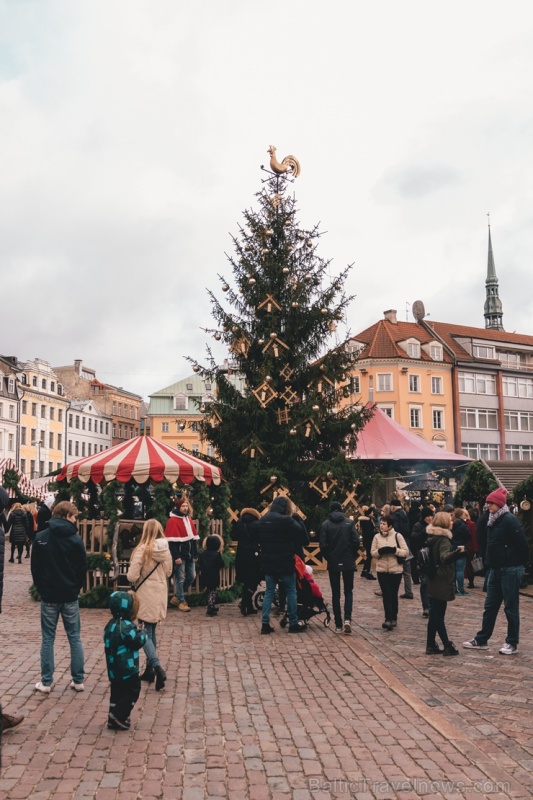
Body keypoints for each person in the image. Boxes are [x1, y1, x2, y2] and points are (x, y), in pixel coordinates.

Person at [30, 501, 88, 693]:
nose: (75, 520)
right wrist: (75, 587)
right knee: (74, 637)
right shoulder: (75, 539)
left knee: (48, 639)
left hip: (49, 595)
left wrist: (42, 588)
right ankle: (78, 679)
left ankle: (46, 682)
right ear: (65, 516)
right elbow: (82, 568)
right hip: (69, 594)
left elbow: (36, 569)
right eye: (74, 517)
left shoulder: (41, 537)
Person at [463, 487, 528, 655]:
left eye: (491, 503)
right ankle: (482, 638)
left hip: (510, 568)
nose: (488, 506)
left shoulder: (509, 520)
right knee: (490, 606)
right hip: (495, 568)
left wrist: (520, 565)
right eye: (488, 503)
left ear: (499, 504)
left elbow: (522, 544)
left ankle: (511, 642)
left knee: (510, 607)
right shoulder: (491, 520)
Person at [127, 519, 173, 691]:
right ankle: (149, 671)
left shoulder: (142, 549)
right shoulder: (166, 550)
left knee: (143, 631)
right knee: (151, 630)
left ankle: (156, 667)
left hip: (145, 594)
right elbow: (169, 572)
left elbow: (132, 576)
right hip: (160, 592)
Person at [256, 496, 309, 634]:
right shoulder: (287, 520)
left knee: (269, 592)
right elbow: (303, 536)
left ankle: (265, 624)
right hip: (285, 561)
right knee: (291, 591)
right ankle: (293, 623)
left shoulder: (262, 520)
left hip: (268, 561)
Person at [103, 590, 147, 730]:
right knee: (132, 690)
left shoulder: (110, 624)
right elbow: (138, 641)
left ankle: (113, 714)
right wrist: (143, 632)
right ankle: (118, 716)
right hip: (127, 668)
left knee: (116, 692)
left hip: (113, 667)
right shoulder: (127, 626)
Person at [425, 511, 464, 656]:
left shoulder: (432, 537)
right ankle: (447, 645)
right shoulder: (443, 540)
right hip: (441, 579)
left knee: (435, 613)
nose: (452, 522)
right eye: (450, 520)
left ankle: (430, 644)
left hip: (433, 577)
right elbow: (444, 557)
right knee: (438, 614)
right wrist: (457, 553)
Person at [319, 501, 360, 634]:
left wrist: (329, 558)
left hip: (333, 562)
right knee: (348, 591)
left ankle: (338, 624)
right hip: (347, 561)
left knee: (335, 594)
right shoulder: (349, 523)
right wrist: (351, 556)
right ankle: (347, 619)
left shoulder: (326, 524)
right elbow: (356, 542)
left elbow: (323, 545)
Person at [371, 514, 409, 630]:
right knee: (386, 594)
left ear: (390, 526)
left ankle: (394, 618)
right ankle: (387, 619)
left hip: (395, 570)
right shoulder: (377, 537)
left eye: (384, 524)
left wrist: (394, 550)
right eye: (380, 523)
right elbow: (372, 552)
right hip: (382, 570)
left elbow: (406, 552)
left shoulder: (398, 536)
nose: (381, 526)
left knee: (393, 594)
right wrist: (380, 551)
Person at [164, 496, 199, 612]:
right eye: (183, 506)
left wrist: (195, 554)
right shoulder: (173, 521)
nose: (185, 508)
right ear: (178, 507)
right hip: (180, 555)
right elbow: (172, 542)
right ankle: (181, 601)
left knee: (192, 576)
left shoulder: (188, 518)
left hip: (189, 554)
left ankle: (177, 597)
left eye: (186, 506)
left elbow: (193, 538)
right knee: (180, 578)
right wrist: (176, 557)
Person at [234, 507, 262, 616]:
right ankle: (245, 602)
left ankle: (249, 606)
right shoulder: (257, 524)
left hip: (241, 555)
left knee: (246, 580)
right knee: (254, 580)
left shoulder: (239, 523)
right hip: (253, 555)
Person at [411, 506, 435, 617]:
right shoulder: (418, 525)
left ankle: (433, 605)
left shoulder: (435, 526)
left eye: (431, 516)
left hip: (434, 557)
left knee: (434, 582)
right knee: (424, 582)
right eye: (428, 516)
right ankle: (426, 607)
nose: (430, 518)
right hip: (423, 558)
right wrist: (425, 531)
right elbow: (415, 539)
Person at [389, 498, 414, 600]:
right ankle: (409, 591)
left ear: (393, 506)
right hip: (406, 543)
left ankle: (389, 590)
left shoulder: (395, 516)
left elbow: (395, 531)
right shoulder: (404, 514)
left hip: (398, 545)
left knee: (392, 568)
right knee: (407, 571)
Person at [199, 535, 224, 616]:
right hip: (213, 576)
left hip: (204, 575)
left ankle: (212, 606)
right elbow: (221, 564)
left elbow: (200, 563)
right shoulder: (217, 554)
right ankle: (210, 608)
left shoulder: (203, 554)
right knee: (212, 592)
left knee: (209, 591)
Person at [451, 508, 471, 596]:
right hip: (461, 548)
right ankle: (461, 589)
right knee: (460, 570)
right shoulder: (462, 525)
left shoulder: (451, 523)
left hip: (452, 548)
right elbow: (468, 536)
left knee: (453, 570)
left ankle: (454, 588)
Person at [358, 505, 377, 580]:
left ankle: (364, 571)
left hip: (367, 540)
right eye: (372, 512)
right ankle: (367, 571)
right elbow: (368, 532)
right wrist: (376, 533)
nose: (373, 513)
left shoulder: (366, 521)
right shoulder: (367, 521)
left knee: (369, 556)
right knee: (369, 556)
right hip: (369, 540)